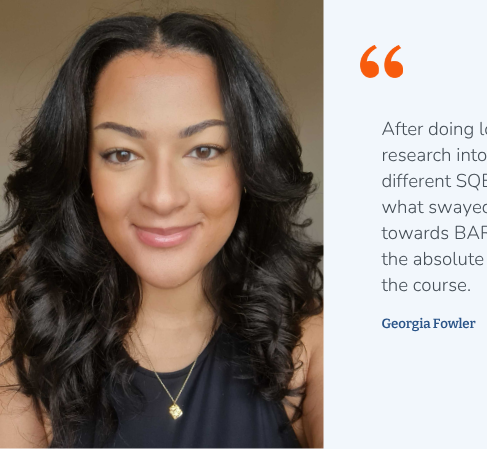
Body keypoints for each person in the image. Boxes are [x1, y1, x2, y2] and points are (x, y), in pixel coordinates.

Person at [0, 11, 323, 448]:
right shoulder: (18, 336)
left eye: (204, 150)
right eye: (122, 154)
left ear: (249, 165)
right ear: (82, 170)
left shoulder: (312, 346)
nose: (163, 197)